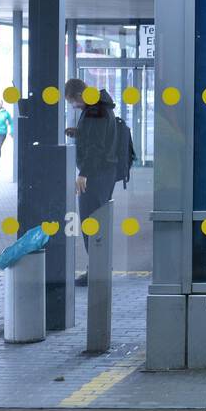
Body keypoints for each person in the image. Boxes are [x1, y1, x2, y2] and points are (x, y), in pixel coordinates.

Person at [63, 78, 118, 286]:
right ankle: (98, 267)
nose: (73, 106)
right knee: (96, 221)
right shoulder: (99, 107)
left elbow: (96, 145)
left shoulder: (95, 110)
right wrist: (78, 133)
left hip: (96, 174)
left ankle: (96, 270)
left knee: (91, 221)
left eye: (72, 102)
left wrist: (83, 173)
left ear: (79, 95)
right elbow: (96, 136)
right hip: (104, 172)